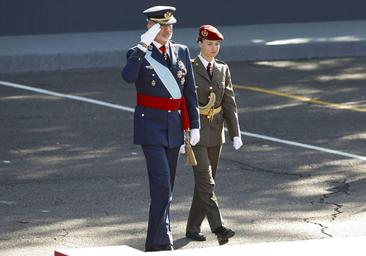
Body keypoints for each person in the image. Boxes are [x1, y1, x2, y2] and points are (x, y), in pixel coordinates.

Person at [121, 5, 200, 252]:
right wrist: (142, 47)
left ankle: (155, 241)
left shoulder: (182, 51)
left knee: (167, 188)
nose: (167, 30)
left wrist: (195, 125)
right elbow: (127, 77)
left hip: (175, 127)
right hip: (150, 126)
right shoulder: (137, 53)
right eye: (161, 25)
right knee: (162, 185)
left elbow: (190, 92)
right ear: (149, 27)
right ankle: (162, 241)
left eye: (170, 25)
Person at [185, 25, 243, 245]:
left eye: (217, 44)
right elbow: (183, 103)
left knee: (205, 183)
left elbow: (229, 103)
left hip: (216, 133)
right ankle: (218, 228)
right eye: (209, 44)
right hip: (196, 133)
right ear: (199, 43)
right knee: (206, 181)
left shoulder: (222, 69)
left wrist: (235, 133)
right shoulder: (189, 68)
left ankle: (192, 228)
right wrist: (185, 133)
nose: (214, 48)